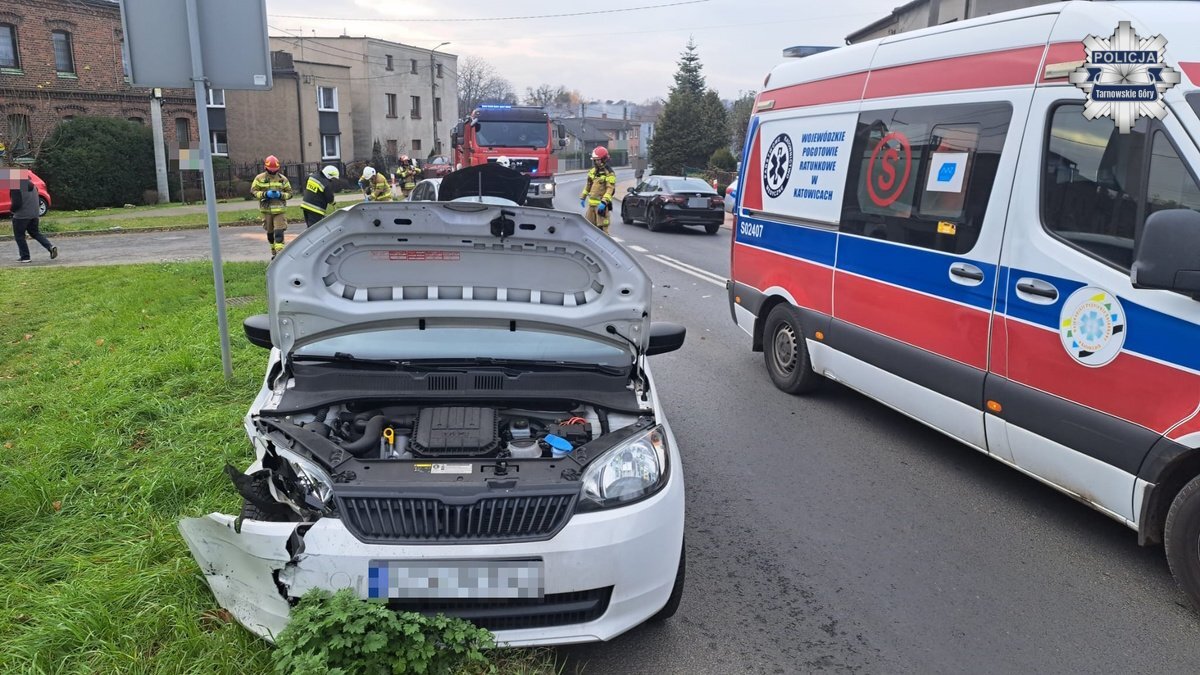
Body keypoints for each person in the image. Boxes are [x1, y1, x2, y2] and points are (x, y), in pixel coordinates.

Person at [8, 170, 56, 263]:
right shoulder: (34, 186)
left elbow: (17, 203)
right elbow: (38, 201)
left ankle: (25, 257)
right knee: (35, 233)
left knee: (19, 236)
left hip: (21, 216)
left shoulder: (15, 186)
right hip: (34, 214)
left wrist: (12, 210)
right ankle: (50, 247)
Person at [250, 155, 292, 258]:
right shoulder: (259, 178)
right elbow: (253, 191)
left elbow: (290, 193)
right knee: (270, 233)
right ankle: (273, 249)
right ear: (266, 168)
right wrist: (264, 194)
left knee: (279, 232)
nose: (273, 172)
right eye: (271, 170)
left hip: (279, 211)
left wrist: (280, 195)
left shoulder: (283, 179)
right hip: (266, 210)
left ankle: (279, 253)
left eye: (275, 170)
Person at [580, 146, 617, 232]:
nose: (596, 162)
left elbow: (610, 189)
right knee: (588, 228)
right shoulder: (593, 171)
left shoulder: (609, 173)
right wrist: (583, 197)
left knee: (602, 231)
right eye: (595, 160)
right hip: (591, 206)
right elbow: (588, 185)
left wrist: (604, 202)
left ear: (604, 159)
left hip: (601, 206)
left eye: (598, 160)